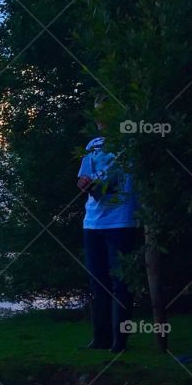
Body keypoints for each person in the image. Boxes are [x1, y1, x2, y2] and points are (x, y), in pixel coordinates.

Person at [76, 128, 141, 351]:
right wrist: (84, 184)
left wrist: (103, 186)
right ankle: (100, 339)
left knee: (122, 283)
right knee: (97, 282)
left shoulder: (130, 143)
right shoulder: (93, 144)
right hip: (92, 222)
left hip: (122, 221)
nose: (102, 119)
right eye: (98, 113)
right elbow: (82, 178)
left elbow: (122, 179)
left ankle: (119, 341)